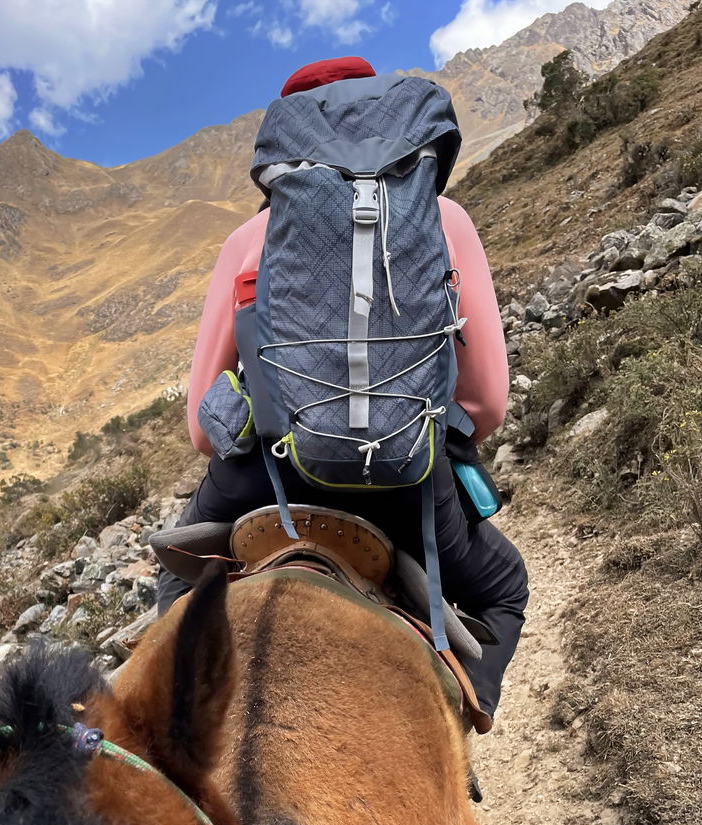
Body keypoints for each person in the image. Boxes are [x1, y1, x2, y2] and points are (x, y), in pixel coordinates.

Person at [157, 57, 528, 725]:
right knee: (506, 589)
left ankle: (172, 733)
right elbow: (488, 404)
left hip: (268, 478)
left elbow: (198, 428)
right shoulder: (444, 219)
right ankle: (464, 716)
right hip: (409, 483)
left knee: (176, 577)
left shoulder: (249, 237)